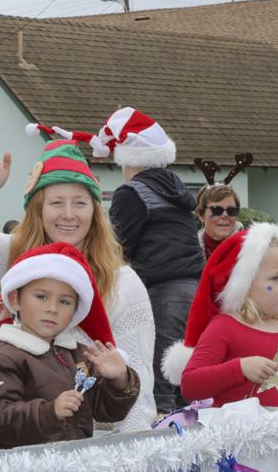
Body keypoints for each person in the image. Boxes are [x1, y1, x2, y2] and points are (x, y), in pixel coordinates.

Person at [0, 130, 157, 432]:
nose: (68, 215)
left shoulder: (123, 283)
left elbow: (139, 385)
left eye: (80, 203)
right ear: (39, 209)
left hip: (94, 442)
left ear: (95, 212)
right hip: (25, 435)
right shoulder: (21, 259)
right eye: (56, 202)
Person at [0, 242, 139, 450]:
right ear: (15, 299)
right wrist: (49, 413)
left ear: (77, 310)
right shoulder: (0, 360)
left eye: (65, 301)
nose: (52, 308)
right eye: (41, 296)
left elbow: (109, 413)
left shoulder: (80, 356)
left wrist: (119, 380)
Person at [103, 107, 201, 414]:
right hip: (194, 289)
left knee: (158, 377)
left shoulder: (131, 193)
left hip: (161, 288)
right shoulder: (176, 188)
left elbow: (117, 248)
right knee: (184, 373)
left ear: (128, 158)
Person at [168, 223, 278, 408]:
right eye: (275, 278)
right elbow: (190, 385)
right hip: (234, 435)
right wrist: (240, 369)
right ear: (244, 283)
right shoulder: (224, 327)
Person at [196, 184, 242, 259]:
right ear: (201, 215)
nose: (225, 215)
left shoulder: (251, 248)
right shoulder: (189, 250)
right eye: (216, 210)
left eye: (231, 210)